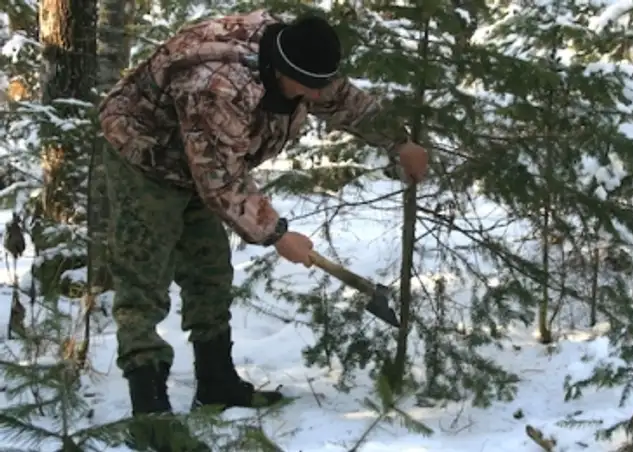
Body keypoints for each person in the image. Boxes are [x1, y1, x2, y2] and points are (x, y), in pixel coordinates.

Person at [97, 9, 428, 451]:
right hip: (146, 153)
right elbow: (220, 180)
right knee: (144, 279)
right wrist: (275, 233)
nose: (315, 95)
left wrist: (398, 140)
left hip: (203, 156)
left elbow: (342, 99)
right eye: (308, 87)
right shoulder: (218, 85)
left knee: (210, 272)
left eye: (318, 85)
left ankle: (216, 384)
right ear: (281, 71)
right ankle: (150, 412)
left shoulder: (298, 60)